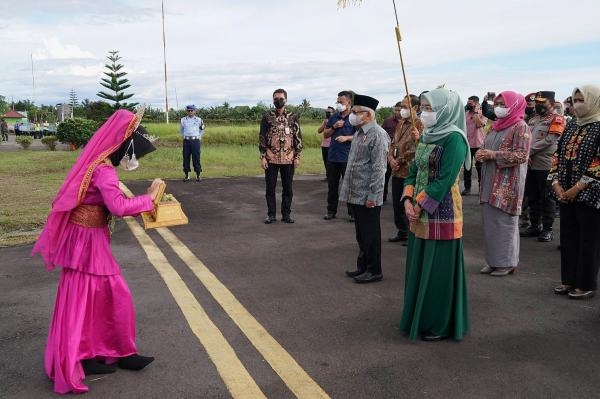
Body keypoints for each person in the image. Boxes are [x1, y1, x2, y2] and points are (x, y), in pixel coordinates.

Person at [32, 109, 160, 394]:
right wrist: (148, 199)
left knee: (92, 298)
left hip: (86, 238)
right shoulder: (103, 170)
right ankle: (109, 354)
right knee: (109, 294)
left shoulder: (95, 162)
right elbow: (117, 207)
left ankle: (93, 354)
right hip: (87, 241)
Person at [399, 87, 470, 341]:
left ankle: (438, 323)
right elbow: (413, 170)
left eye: (429, 108)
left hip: (443, 214)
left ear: (446, 110)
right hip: (418, 213)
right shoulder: (427, 135)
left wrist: (418, 205)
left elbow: (444, 179)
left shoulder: (454, 139)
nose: (423, 113)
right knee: (419, 266)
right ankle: (418, 316)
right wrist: (407, 199)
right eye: (423, 108)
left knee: (437, 270)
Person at [551, 85, 600, 299]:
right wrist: (556, 184)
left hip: (590, 194)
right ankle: (568, 279)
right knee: (569, 237)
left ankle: (585, 283)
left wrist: (577, 188)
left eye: (582, 100)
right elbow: (557, 154)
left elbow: (598, 162)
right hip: (565, 192)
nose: (577, 104)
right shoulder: (571, 126)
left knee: (589, 241)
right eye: (575, 99)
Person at [476, 91, 531, 276]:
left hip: (508, 183)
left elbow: (522, 155)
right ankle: (493, 261)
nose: (498, 107)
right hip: (490, 179)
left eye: (502, 103)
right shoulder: (495, 126)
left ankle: (507, 263)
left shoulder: (520, 126)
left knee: (505, 223)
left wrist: (493, 155)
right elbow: (485, 146)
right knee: (490, 223)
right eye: (497, 103)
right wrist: (481, 153)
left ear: (514, 105)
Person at [340, 94, 389, 283]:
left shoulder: (378, 134)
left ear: (367, 115)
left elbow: (379, 169)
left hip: (368, 195)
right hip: (355, 193)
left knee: (371, 234)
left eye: (355, 112)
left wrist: (373, 195)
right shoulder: (360, 133)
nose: (352, 115)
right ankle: (363, 266)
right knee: (361, 233)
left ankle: (374, 269)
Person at [520, 91, 565, 242]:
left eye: (542, 103)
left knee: (547, 197)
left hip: (545, 164)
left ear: (551, 104)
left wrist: (528, 151)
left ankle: (547, 229)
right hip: (530, 163)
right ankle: (534, 226)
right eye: (537, 103)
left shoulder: (557, 119)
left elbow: (550, 140)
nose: (538, 105)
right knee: (532, 196)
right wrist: (526, 153)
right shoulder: (532, 119)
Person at [259, 88, 302, 224]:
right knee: (270, 188)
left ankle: (286, 214)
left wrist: (297, 156)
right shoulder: (267, 116)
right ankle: (271, 215)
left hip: (289, 158)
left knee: (288, 188)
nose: (278, 101)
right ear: (273, 100)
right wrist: (263, 156)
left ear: (286, 100)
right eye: (276, 99)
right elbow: (262, 137)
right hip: (271, 158)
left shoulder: (293, 116)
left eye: (281, 98)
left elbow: (298, 137)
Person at [387, 96, 424, 243]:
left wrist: (400, 160)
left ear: (415, 108)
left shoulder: (420, 124)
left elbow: (417, 148)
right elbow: (393, 143)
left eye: (405, 106)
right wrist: (390, 158)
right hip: (396, 170)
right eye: (401, 106)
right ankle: (402, 231)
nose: (402, 110)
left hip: (409, 171)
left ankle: (411, 233)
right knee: (397, 203)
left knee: (408, 202)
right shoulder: (401, 123)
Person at [323, 91, 354, 221]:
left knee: (349, 186)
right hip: (333, 156)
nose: (339, 104)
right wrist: (334, 127)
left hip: (347, 157)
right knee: (332, 186)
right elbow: (325, 134)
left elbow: (360, 137)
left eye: (341, 102)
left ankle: (352, 213)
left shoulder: (355, 118)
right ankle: (331, 211)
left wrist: (347, 137)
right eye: (338, 102)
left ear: (349, 103)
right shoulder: (334, 117)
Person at [462, 95, 487, 195]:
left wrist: (476, 112)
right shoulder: (466, 113)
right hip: (467, 143)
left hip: (478, 144)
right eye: (468, 103)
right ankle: (467, 188)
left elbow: (479, 124)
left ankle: (482, 188)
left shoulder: (483, 113)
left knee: (480, 167)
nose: (468, 105)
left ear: (476, 103)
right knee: (467, 167)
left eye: (470, 103)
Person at [381, 103, 403, 202]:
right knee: (385, 176)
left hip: (401, 155)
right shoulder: (387, 121)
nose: (397, 112)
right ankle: (382, 196)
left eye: (399, 110)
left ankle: (402, 198)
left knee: (399, 178)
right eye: (396, 110)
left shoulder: (406, 123)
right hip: (388, 152)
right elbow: (381, 134)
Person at [180, 104, 205, 182]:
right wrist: (184, 137)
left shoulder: (199, 120)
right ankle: (187, 175)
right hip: (186, 141)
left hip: (195, 141)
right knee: (186, 158)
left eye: (192, 110)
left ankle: (198, 175)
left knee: (196, 158)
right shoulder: (183, 120)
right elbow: (181, 130)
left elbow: (202, 129)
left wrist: (199, 137)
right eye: (188, 110)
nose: (190, 112)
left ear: (195, 111)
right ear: (186, 111)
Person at [317, 106, 335, 181]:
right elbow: (319, 131)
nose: (327, 114)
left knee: (331, 162)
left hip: (332, 145)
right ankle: (328, 177)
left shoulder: (335, 121)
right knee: (325, 161)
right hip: (324, 145)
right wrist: (324, 124)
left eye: (329, 112)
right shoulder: (325, 121)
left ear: (333, 113)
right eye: (326, 112)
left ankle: (332, 177)